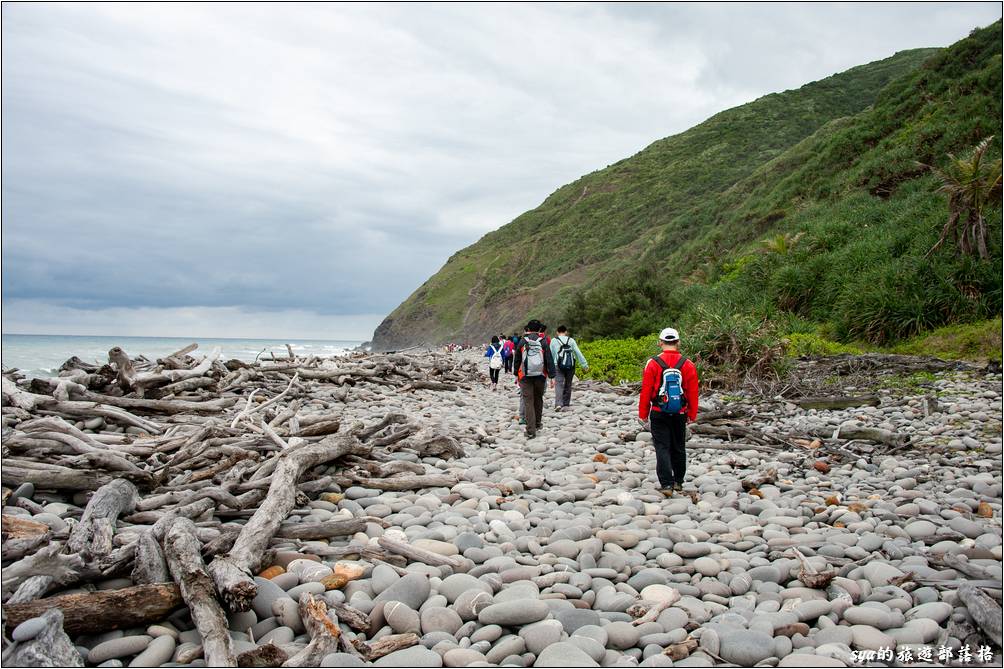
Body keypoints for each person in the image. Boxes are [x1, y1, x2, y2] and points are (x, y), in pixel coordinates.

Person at [638, 327, 699, 495]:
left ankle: (666, 485)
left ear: (660, 343)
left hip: (659, 411)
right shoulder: (688, 364)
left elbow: (646, 391)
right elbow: (693, 391)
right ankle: (678, 482)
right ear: (678, 343)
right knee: (679, 447)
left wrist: (643, 414)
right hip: (680, 412)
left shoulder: (653, 363)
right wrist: (692, 414)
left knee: (662, 447)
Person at [512, 320, 556, 439]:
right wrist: (552, 376)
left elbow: (517, 359)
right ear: (538, 329)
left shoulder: (522, 341)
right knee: (538, 399)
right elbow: (549, 359)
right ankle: (537, 423)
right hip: (540, 375)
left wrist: (516, 374)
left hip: (525, 376)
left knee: (528, 402)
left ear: (529, 329)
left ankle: (530, 430)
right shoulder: (543, 341)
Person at [550, 325, 589, 410]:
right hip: (570, 365)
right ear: (566, 332)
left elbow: (551, 354)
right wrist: (584, 365)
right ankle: (566, 404)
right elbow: (578, 352)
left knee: (559, 384)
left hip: (558, 365)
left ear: (557, 332)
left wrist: (551, 365)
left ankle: (558, 404)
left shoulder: (553, 341)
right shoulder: (571, 340)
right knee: (568, 384)